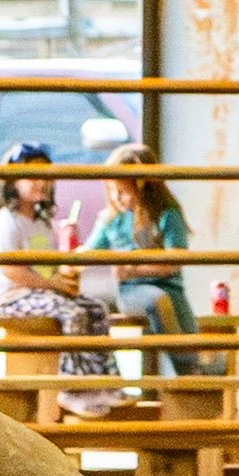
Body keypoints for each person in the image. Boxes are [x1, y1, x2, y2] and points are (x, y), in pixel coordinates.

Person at [0, 142, 122, 418]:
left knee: (96, 309)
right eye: (33, 177)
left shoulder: (41, 221)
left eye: (47, 176)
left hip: (40, 292)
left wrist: (63, 276)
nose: (41, 183)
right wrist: (53, 285)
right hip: (12, 295)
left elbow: (45, 266)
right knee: (73, 312)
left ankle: (106, 382)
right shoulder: (7, 220)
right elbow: (10, 269)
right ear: (12, 182)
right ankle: (73, 389)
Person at [83, 142, 200, 375]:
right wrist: (70, 253)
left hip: (173, 290)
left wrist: (133, 268)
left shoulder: (166, 214)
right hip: (132, 292)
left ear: (144, 186)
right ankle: (188, 370)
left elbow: (172, 262)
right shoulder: (111, 220)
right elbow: (88, 251)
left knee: (192, 338)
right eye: (113, 190)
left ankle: (196, 377)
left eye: (123, 191)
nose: (117, 198)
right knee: (158, 301)